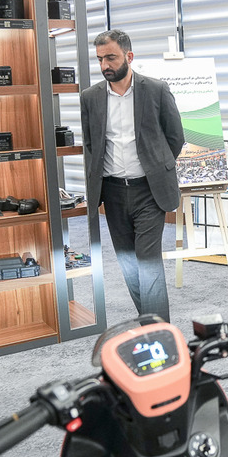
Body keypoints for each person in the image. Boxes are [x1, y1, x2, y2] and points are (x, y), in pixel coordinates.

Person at [81, 29, 185, 322]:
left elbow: (175, 137)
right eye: (100, 59)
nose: (105, 65)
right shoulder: (90, 97)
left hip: (149, 190)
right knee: (128, 262)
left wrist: (156, 166)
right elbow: (91, 144)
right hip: (113, 191)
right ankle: (149, 320)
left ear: (129, 56)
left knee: (148, 262)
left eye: (111, 58)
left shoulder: (155, 90)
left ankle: (159, 331)